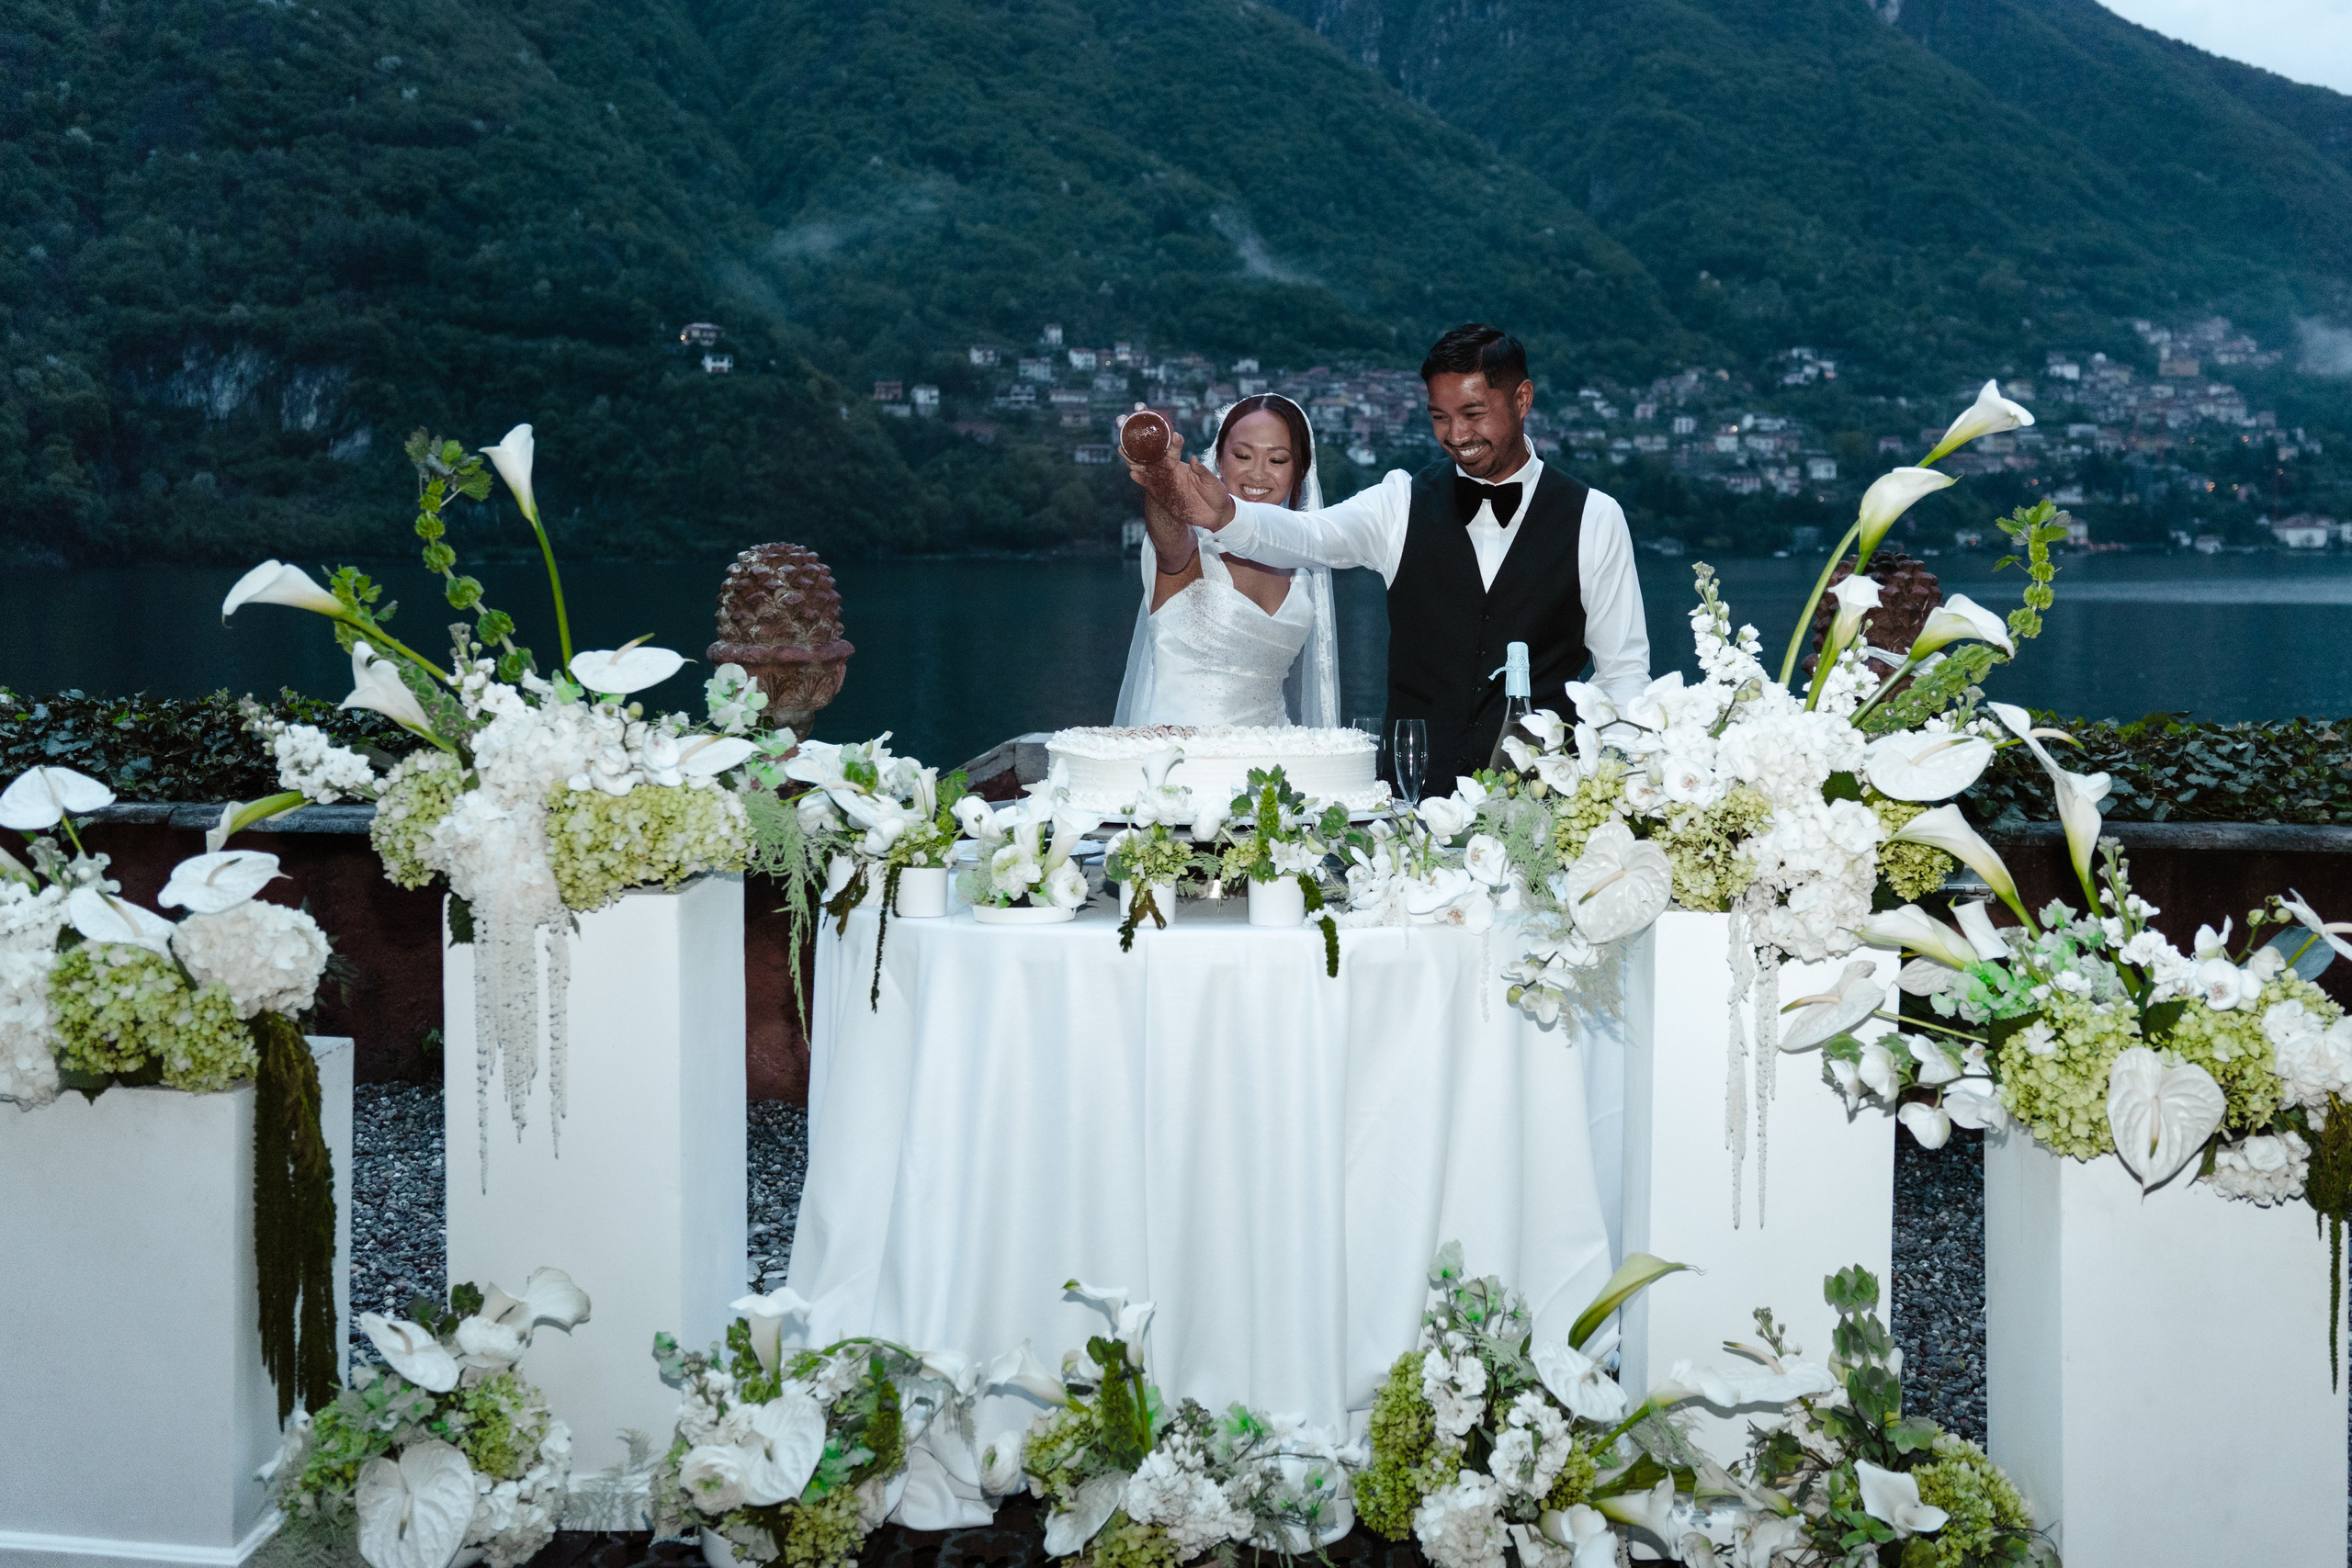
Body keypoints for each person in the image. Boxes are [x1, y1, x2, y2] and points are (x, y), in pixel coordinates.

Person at [1125, 324, 1648, 783]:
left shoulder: (1596, 518)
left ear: (1522, 399)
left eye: (1472, 413)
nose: (1457, 435)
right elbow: (1310, 536)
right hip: (1413, 806)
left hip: (1542, 808)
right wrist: (1225, 516)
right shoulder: (1400, 501)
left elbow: (1622, 674)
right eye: (1440, 417)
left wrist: (1611, 787)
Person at [1112, 392, 1340, 728]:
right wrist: (1160, 477)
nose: (1258, 474)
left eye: (1277, 461)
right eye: (1243, 456)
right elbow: (1170, 541)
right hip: (1182, 766)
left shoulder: (1303, 562)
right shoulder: (1195, 543)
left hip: (1271, 769)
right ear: (1219, 459)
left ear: (1299, 470)